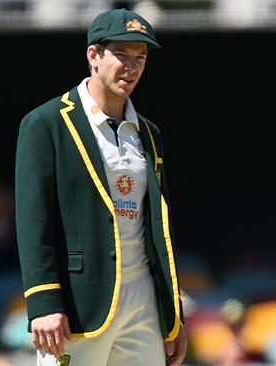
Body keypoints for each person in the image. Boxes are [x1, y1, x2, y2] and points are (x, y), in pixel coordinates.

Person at [14, 8, 187, 366]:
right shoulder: (45, 123)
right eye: (121, 55)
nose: (132, 67)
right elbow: (33, 221)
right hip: (79, 305)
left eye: (140, 58)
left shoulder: (149, 133)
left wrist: (173, 316)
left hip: (144, 305)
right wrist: (44, 302)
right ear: (94, 55)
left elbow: (159, 230)